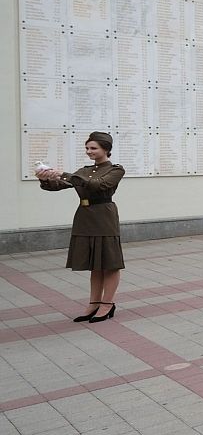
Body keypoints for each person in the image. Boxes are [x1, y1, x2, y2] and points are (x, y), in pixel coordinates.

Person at [35, 131, 125, 323]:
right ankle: (94, 303)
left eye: (93, 148)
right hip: (84, 218)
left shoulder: (115, 170)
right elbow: (58, 185)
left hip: (104, 217)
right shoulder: (84, 170)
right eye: (87, 148)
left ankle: (108, 304)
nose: (89, 151)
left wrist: (65, 173)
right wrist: (45, 178)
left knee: (109, 262)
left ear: (106, 150)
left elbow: (97, 186)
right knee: (95, 263)